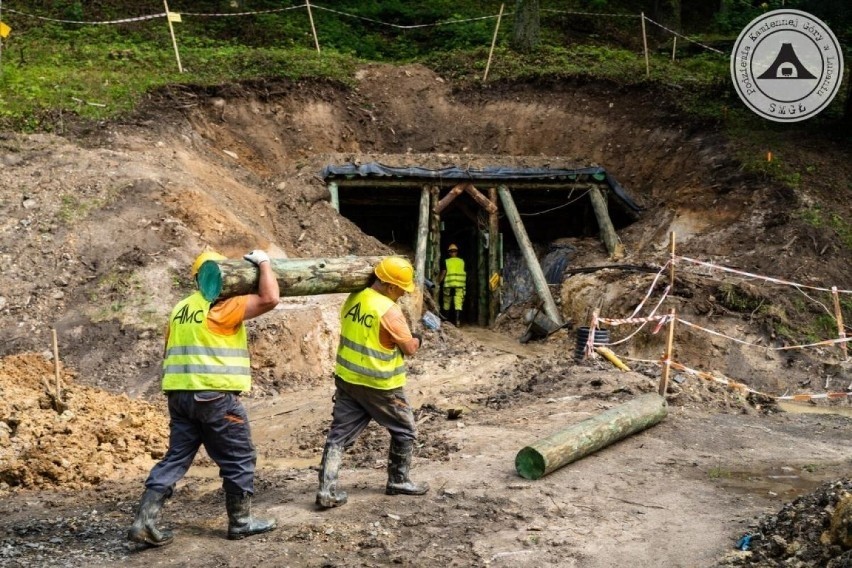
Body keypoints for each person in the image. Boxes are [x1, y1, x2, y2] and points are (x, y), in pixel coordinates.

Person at [128, 248, 280, 546]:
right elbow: (269, 298)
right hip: (214, 396)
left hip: (179, 395)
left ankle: (144, 521)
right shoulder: (220, 306)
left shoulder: (180, 309)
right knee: (238, 456)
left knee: (176, 457)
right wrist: (263, 262)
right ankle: (241, 521)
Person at [315, 256, 429, 509]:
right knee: (405, 430)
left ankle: (326, 490)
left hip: (348, 380)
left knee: (339, 436)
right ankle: (398, 480)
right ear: (390, 286)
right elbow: (409, 348)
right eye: (401, 289)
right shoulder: (388, 310)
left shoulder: (354, 298)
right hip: (381, 385)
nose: (402, 294)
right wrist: (418, 338)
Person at [437, 243, 466, 326]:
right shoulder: (462, 261)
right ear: (457, 252)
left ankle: (446, 321)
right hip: (459, 285)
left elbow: (443, 273)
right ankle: (457, 321)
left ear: (449, 253)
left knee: (447, 302)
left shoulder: (446, 261)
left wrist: (438, 282)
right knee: (458, 303)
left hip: (449, 285)